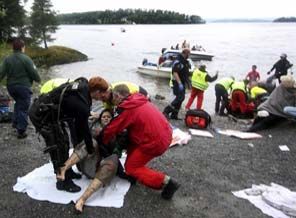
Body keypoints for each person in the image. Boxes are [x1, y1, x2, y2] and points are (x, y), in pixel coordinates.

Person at [99, 84, 180, 200]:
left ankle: (167, 182)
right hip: (165, 133)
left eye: (114, 99)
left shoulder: (126, 107)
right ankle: (133, 176)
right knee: (131, 144)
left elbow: (112, 128)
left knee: (131, 167)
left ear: (117, 96)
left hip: (155, 142)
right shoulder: (138, 99)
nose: (114, 102)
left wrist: (101, 141)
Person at [29, 77, 98, 193]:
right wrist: (90, 149)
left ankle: (68, 171)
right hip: (41, 115)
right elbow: (84, 129)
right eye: (99, 96)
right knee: (57, 147)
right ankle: (62, 182)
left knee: (65, 142)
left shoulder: (80, 89)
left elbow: (75, 124)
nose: (99, 99)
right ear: (95, 91)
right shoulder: (80, 101)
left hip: (52, 114)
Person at [56, 109, 119, 213]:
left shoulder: (118, 131)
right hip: (90, 166)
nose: (106, 118)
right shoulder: (94, 127)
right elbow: (79, 119)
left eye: (109, 117)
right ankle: (63, 168)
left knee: (114, 159)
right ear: (100, 119)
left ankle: (82, 200)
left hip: (102, 173)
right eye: (104, 117)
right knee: (91, 143)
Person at [0, 38, 41, 138]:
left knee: (18, 102)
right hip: (23, 87)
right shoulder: (26, 59)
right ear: (22, 47)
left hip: (11, 88)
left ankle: (15, 122)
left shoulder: (7, 59)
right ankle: (21, 131)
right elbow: (34, 73)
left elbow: (1, 72)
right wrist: (38, 79)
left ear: (13, 48)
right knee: (23, 107)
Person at [163, 48, 191, 119]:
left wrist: (188, 83)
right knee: (179, 98)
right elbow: (175, 72)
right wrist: (179, 83)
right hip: (178, 82)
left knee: (181, 98)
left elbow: (185, 73)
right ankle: (166, 111)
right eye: (188, 54)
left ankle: (174, 114)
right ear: (185, 53)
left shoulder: (184, 61)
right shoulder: (179, 61)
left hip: (182, 82)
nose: (189, 55)